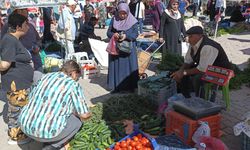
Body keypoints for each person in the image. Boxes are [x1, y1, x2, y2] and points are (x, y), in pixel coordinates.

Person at [18, 60, 91, 150]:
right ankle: (52, 146)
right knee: (77, 122)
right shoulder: (73, 85)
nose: (77, 79)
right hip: (45, 132)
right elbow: (84, 115)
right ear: (73, 73)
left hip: (25, 126)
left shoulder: (45, 76)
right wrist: (89, 114)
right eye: (77, 76)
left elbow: (32, 97)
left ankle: (42, 138)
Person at [170, 26, 231, 99]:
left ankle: (200, 100)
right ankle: (186, 96)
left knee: (197, 78)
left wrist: (183, 72)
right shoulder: (193, 44)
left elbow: (202, 69)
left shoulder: (208, 47)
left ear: (200, 36)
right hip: (207, 67)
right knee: (179, 72)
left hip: (221, 71)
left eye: (191, 37)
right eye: (188, 37)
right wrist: (180, 71)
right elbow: (188, 61)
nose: (188, 40)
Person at [0, 13, 33, 144]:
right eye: (26, 24)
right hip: (16, 85)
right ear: (19, 26)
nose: (28, 27)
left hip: (20, 83)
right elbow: (4, 64)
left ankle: (20, 134)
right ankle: (15, 137)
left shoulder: (13, 39)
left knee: (19, 110)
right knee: (16, 112)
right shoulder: (9, 40)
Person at [107, 3, 139, 93]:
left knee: (129, 68)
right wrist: (114, 35)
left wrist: (126, 36)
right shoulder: (114, 19)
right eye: (121, 13)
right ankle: (117, 86)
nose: (122, 15)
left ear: (128, 12)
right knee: (118, 67)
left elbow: (135, 34)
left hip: (128, 49)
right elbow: (108, 32)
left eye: (124, 13)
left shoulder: (133, 21)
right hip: (117, 49)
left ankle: (130, 87)